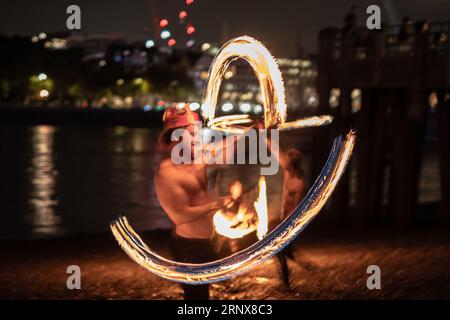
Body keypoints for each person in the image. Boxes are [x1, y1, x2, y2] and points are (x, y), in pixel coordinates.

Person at [154, 105, 232, 300]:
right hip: (188, 247)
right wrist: (216, 205)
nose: (198, 137)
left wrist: (256, 131)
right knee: (197, 299)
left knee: (205, 294)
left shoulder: (199, 157)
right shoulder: (167, 173)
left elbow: (231, 146)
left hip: (208, 241)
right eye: (192, 133)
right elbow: (180, 215)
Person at [276, 148, 305, 287]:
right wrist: (264, 134)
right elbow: (276, 152)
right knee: (281, 250)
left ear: (292, 164)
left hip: (289, 219)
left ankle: (286, 281)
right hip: (282, 217)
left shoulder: (298, 183)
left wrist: (288, 223)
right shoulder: (287, 171)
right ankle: (291, 255)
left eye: (286, 160)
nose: (283, 161)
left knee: (279, 249)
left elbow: (296, 207)